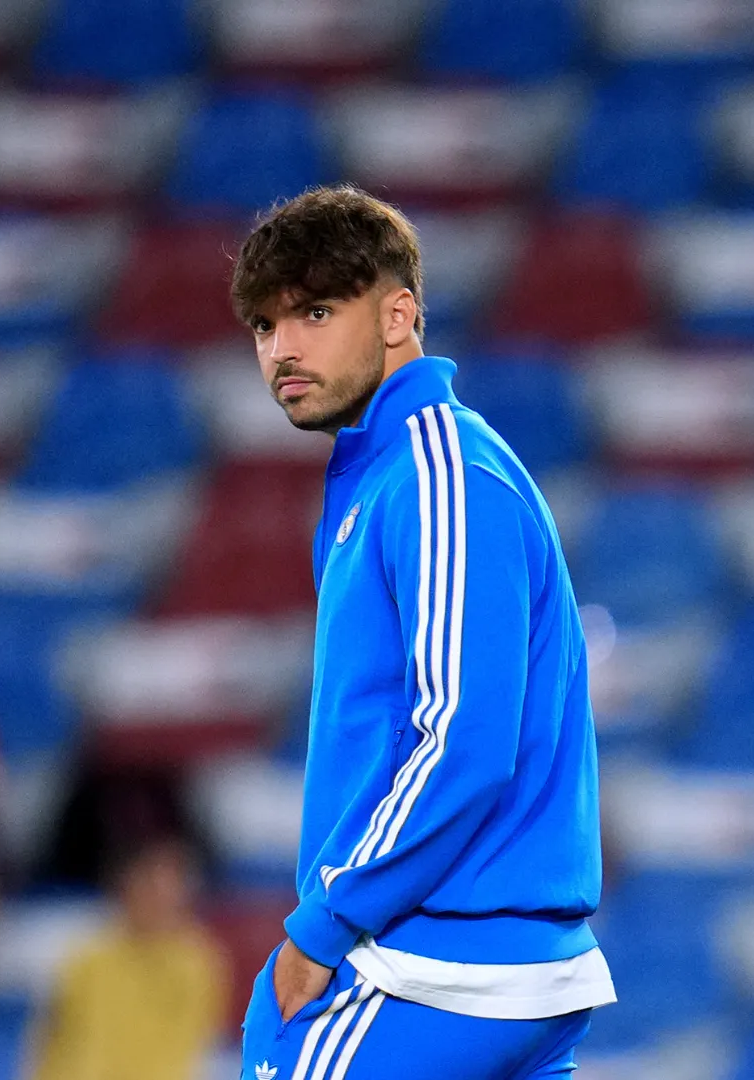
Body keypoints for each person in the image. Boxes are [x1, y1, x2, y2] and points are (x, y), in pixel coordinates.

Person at [227, 185, 614, 1080]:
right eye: (264, 325)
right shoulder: (391, 472)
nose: (283, 348)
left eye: (316, 312)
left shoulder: (439, 475)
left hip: (436, 963)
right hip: (490, 963)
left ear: (399, 314)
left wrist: (322, 925)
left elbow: (461, 740)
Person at [28, 836, 226, 1080]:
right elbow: (57, 1048)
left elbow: (180, 1054)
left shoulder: (195, 963)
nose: (160, 897)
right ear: (125, 887)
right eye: (150, 884)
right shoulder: (85, 961)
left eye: (170, 885)